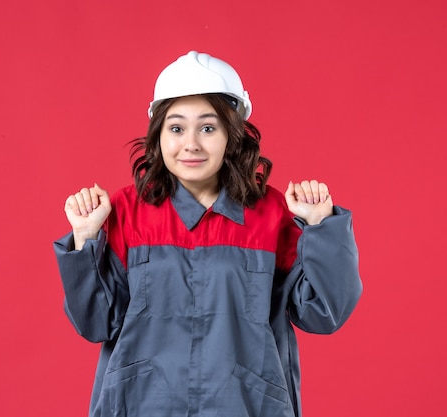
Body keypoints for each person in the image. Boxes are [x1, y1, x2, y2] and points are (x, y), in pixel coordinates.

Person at [53, 50, 362, 417]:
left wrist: (322, 228)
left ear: (233, 135)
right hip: (140, 407)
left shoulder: (272, 214)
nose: (192, 144)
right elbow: (95, 323)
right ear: (158, 135)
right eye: (177, 127)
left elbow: (323, 314)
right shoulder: (125, 212)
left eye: (208, 127)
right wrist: (86, 239)